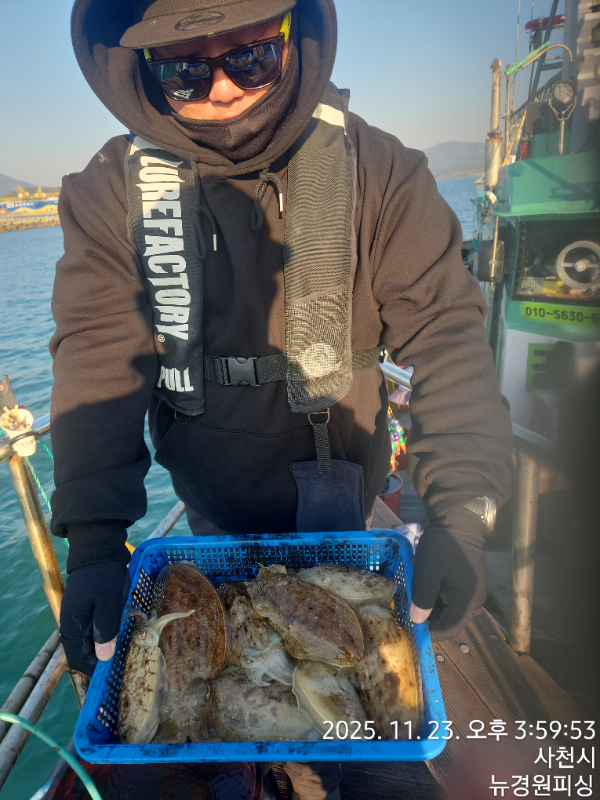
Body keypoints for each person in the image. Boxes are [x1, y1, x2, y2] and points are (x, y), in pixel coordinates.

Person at [51, 1, 513, 797]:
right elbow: (97, 358)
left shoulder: (382, 170)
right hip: (213, 509)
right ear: (143, 68)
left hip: (343, 506)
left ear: (294, 38)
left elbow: (447, 335)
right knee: (191, 727)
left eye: (251, 57)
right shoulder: (107, 194)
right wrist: (94, 540)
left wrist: (464, 514)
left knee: (382, 765)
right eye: (186, 70)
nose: (223, 88)